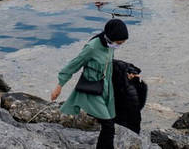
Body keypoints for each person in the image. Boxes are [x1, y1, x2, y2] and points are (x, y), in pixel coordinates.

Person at [50, 19, 131, 149]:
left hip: (104, 89)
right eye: (119, 43)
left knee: (109, 124)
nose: (119, 45)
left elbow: (109, 65)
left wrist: (127, 73)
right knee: (109, 126)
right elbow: (73, 65)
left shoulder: (110, 46)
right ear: (111, 38)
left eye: (121, 43)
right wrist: (59, 86)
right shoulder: (92, 47)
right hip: (91, 90)